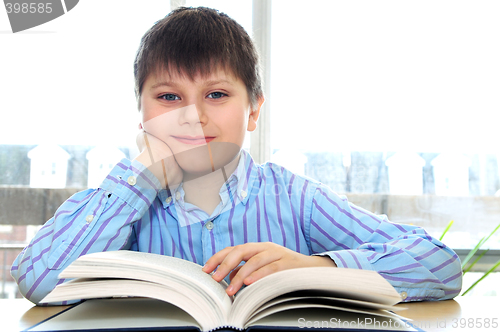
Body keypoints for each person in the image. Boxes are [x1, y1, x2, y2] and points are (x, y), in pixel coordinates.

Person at [11, 7, 462, 305]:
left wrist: (317, 266)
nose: (192, 116)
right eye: (168, 97)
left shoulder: (295, 198)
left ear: (253, 112)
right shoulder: (109, 207)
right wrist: (140, 180)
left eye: (217, 94)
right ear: (141, 113)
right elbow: (39, 281)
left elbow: (440, 264)